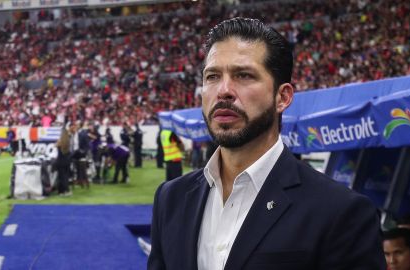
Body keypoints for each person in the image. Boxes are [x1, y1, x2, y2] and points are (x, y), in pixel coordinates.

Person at [148, 18, 385, 270]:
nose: (224, 90)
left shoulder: (341, 213)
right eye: (213, 76)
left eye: (244, 75)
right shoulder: (170, 199)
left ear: (282, 97)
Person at [55, 127, 72, 196]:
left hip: (60, 161)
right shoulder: (68, 141)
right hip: (66, 161)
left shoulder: (59, 142)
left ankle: (62, 191)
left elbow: (55, 146)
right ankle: (64, 191)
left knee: (61, 177)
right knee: (65, 176)